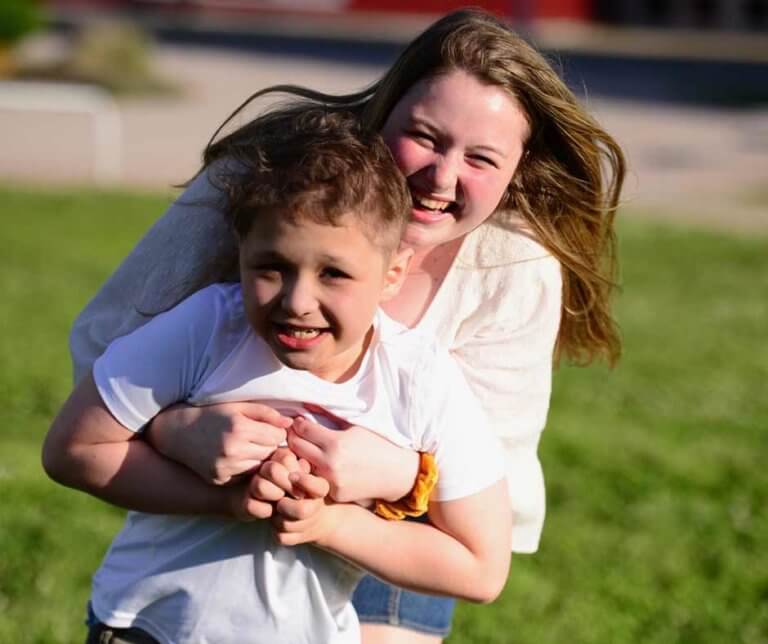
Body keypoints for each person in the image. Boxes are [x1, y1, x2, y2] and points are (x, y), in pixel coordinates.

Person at [67, 8, 625, 644]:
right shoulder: (259, 187)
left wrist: (398, 478)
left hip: (406, 531)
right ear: (382, 113)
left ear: (517, 170)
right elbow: (106, 349)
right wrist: (176, 431)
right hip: (213, 514)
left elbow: (489, 486)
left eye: (481, 158)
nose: (442, 177)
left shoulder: (514, 267)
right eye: (425, 136)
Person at [43, 109, 512, 644]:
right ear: (239, 253)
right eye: (271, 268)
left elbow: (481, 568)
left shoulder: (421, 380)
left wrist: (329, 525)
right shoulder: (207, 327)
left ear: (393, 274)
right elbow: (71, 451)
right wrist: (221, 499)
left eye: (333, 273)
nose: (297, 301)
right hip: (145, 628)